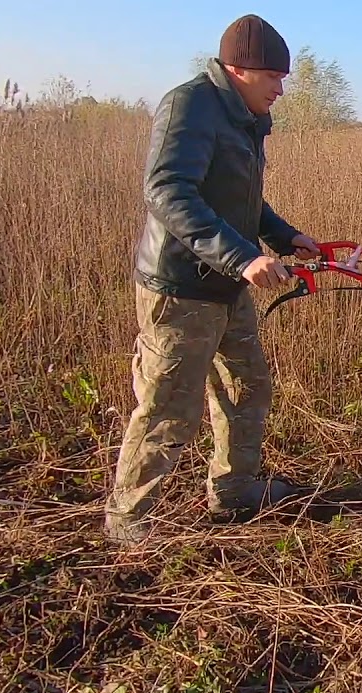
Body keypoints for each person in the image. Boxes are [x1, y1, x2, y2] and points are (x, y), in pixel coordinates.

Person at [104, 14, 319, 544]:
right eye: (274, 76)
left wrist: (284, 236)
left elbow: (241, 198)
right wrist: (242, 256)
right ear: (241, 69)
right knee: (169, 408)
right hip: (181, 288)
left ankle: (236, 491)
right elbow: (169, 192)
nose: (281, 89)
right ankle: (128, 518)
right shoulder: (190, 106)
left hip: (226, 283)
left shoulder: (241, 116)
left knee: (247, 389)